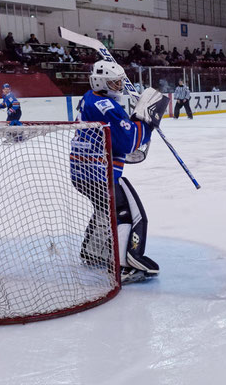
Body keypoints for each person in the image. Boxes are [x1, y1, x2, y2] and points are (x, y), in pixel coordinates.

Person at [71, 60, 168, 284]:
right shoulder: (105, 105)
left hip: (82, 172)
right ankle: (126, 265)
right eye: (114, 82)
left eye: (120, 81)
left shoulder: (90, 97)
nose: (119, 86)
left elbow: (118, 136)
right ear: (100, 82)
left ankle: (94, 251)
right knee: (130, 213)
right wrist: (146, 120)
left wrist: (134, 120)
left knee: (105, 209)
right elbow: (129, 141)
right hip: (99, 174)